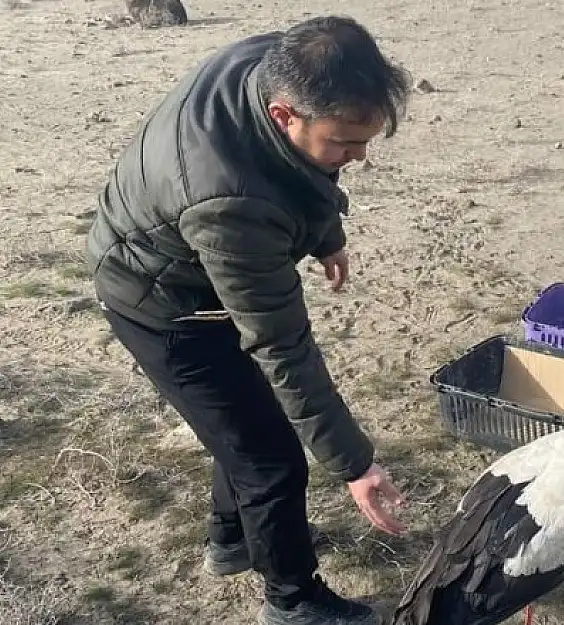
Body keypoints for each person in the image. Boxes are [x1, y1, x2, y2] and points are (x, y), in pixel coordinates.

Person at [85, 15, 410, 625]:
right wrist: (355, 466)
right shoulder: (230, 202)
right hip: (161, 304)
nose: (357, 158)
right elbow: (283, 344)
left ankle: (231, 541)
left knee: (243, 423)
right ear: (286, 113)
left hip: (188, 266)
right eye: (345, 142)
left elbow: (299, 174)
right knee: (272, 460)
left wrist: (325, 233)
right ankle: (293, 602)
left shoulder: (272, 63)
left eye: (367, 141)